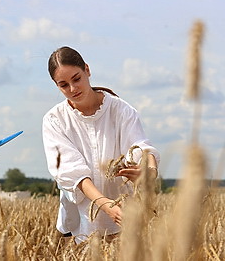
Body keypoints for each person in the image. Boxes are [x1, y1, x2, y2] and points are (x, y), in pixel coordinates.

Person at [42, 46, 160, 244]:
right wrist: (106, 206)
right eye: (63, 85)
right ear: (56, 85)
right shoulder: (54, 120)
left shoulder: (121, 110)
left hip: (124, 219)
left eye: (77, 79)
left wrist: (149, 170)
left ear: (87, 70)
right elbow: (73, 173)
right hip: (80, 223)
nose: (73, 89)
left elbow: (140, 146)